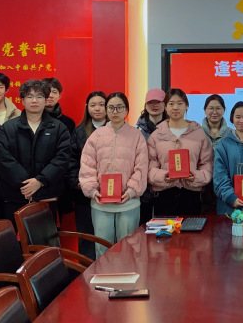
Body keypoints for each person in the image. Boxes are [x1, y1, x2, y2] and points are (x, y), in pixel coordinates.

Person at [79, 92, 147, 258]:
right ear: (106, 110)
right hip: (101, 203)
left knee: (129, 248)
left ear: (127, 110)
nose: (115, 111)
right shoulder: (96, 136)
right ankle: (104, 276)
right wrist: (92, 190)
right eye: (111, 107)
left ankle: (128, 276)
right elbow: (87, 166)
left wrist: (131, 191)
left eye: (119, 107)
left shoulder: (136, 135)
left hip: (128, 202)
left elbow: (141, 167)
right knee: (102, 249)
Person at [0, 79, 71, 225]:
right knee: (14, 238)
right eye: (29, 96)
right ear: (22, 100)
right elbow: (3, 158)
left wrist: (40, 181)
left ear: (46, 100)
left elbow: (62, 158)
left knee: (44, 238)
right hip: (15, 196)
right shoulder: (8, 128)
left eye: (39, 96)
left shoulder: (59, 128)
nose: (34, 100)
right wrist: (27, 185)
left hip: (47, 195)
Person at [147, 89, 214, 216]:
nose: (175, 107)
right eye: (171, 104)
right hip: (164, 195)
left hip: (191, 194)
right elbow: (150, 166)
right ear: (165, 107)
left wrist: (196, 176)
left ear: (186, 106)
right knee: (165, 229)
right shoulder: (156, 135)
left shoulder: (198, 134)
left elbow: (207, 163)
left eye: (180, 103)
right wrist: (163, 176)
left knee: (191, 228)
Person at [65, 91, 107, 260]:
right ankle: (86, 270)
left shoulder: (118, 129)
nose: (97, 108)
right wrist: (78, 184)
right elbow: (71, 161)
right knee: (87, 237)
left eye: (101, 105)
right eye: (93, 105)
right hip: (84, 195)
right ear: (87, 108)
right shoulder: (79, 131)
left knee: (107, 238)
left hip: (111, 194)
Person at [136, 88, 167, 224]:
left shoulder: (173, 129)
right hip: (142, 189)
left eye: (158, 102)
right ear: (145, 105)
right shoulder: (136, 130)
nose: (154, 105)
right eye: (150, 102)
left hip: (165, 186)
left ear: (165, 104)